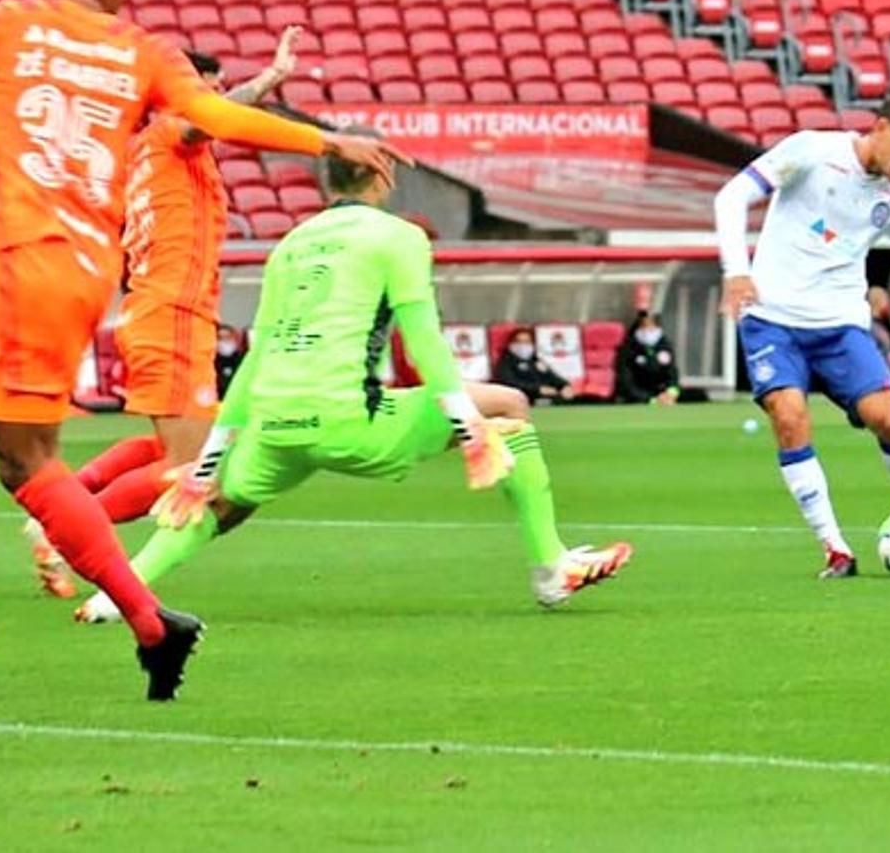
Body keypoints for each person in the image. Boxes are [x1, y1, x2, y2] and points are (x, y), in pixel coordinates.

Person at [0, 0, 397, 697]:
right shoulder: (142, 52)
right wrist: (328, 141)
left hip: (31, 264)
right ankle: (143, 623)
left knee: (31, 460)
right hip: (87, 276)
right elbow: (217, 116)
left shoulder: (8, 23)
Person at [74, 148, 631, 622]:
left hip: (274, 422)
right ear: (382, 176)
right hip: (348, 420)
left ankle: (113, 596)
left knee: (222, 499)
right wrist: (470, 430)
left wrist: (207, 462)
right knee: (508, 414)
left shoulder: (291, 244)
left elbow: (256, 356)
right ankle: (551, 569)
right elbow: (424, 343)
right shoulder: (398, 236)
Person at [28, 30, 314, 599]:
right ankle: (65, 532)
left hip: (165, 311)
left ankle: (68, 502)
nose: (220, 96)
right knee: (195, 466)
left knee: (172, 450)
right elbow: (211, 118)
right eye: (212, 87)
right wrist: (270, 82)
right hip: (173, 313)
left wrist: (268, 81)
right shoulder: (168, 135)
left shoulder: (156, 148)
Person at [712, 92, 890, 578]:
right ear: (881, 127)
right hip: (772, 316)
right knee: (789, 415)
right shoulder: (811, 151)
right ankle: (835, 548)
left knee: (888, 420)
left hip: (840, 325)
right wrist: (735, 272)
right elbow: (732, 196)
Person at [494, 327, 576, 404]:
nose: (523, 345)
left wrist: (564, 385)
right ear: (511, 344)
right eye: (519, 342)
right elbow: (509, 383)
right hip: (521, 400)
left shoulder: (535, 361)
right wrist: (537, 389)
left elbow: (551, 376)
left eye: (527, 342)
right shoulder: (506, 362)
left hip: (545, 398)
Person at [614, 311, 681, 405]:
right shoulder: (627, 350)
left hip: (662, 398)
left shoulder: (666, 347)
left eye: (651, 327)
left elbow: (672, 375)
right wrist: (650, 400)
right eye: (644, 326)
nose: (647, 331)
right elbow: (626, 382)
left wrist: (670, 393)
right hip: (635, 400)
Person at [213, 324, 245, 398]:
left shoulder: (243, 361)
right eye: (220, 338)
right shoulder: (211, 362)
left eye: (227, 338)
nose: (223, 341)